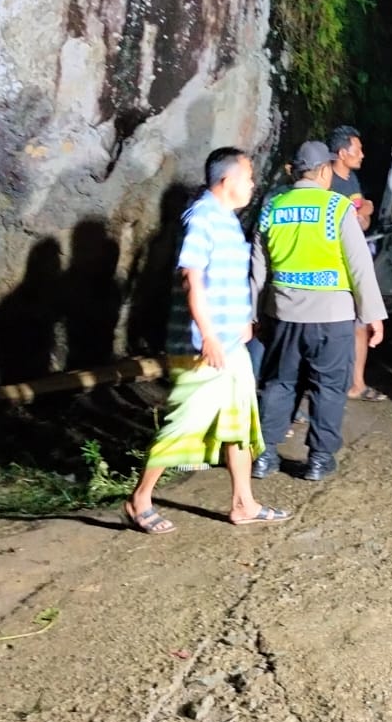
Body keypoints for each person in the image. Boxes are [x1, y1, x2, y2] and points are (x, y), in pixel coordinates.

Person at [122, 147, 289, 531]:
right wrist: (210, 336)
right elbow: (191, 278)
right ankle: (139, 500)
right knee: (183, 423)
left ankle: (244, 503)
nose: (253, 183)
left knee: (240, 423)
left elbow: (225, 280)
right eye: (248, 177)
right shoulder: (202, 217)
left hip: (231, 343)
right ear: (227, 180)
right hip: (204, 347)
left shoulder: (227, 221)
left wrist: (244, 319)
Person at [251, 140, 387, 482]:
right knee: (328, 386)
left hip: (283, 314)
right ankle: (318, 459)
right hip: (332, 317)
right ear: (325, 170)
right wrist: (373, 314)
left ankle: (265, 456)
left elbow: (257, 268)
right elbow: (359, 266)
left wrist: (253, 315)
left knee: (279, 383)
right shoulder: (336, 207)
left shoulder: (271, 207)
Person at [327, 125, 384, 404]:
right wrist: (364, 212)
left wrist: (366, 212)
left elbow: (363, 217)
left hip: (357, 260)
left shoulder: (351, 180)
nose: (363, 154)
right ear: (342, 153)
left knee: (360, 324)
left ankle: (357, 383)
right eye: (357, 149)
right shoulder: (327, 182)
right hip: (335, 263)